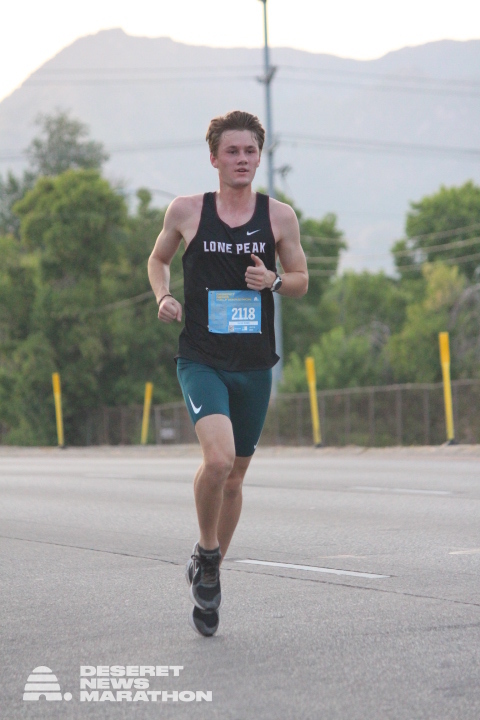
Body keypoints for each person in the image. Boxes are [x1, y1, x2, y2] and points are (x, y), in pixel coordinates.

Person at [148, 110, 308, 637]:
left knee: (236, 476)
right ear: (214, 158)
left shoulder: (279, 216)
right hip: (201, 358)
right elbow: (157, 260)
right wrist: (164, 296)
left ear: (259, 157)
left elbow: (301, 279)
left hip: (255, 364)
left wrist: (274, 281)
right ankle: (208, 549)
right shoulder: (187, 210)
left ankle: (209, 565)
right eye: (232, 151)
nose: (242, 159)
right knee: (217, 460)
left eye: (250, 151)